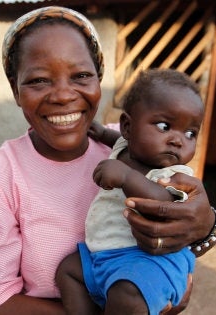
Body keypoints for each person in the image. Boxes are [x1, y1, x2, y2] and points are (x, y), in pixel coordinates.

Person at [0, 6, 216, 315]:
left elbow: (185, 208)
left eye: (81, 76)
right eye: (39, 80)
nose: (62, 95)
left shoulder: (133, 146)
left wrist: (205, 227)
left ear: (99, 79)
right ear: (15, 89)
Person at [56, 69, 205, 315]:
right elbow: (117, 139)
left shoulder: (176, 174)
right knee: (68, 270)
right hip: (104, 255)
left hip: (149, 261)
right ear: (127, 126)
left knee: (127, 295)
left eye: (190, 134)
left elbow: (165, 203)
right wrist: (102, 133)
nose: (178, 140)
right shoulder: (125, 146)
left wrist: (126, 177)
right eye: (164, 126)